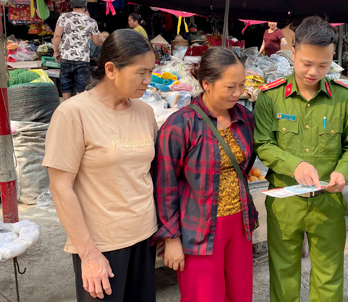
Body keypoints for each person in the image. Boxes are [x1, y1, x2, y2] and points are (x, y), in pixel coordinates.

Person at [254, 16, 348, 302]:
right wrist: (295, 165)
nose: (314, 72)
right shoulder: (271, 96)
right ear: (293, 53)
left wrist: (343, 172)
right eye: (306, 63)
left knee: (329, 275)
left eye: (323, 65)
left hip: (328, 201)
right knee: (283, 272)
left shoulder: (344, 98)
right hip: (285, 202)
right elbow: (263, 143)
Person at [43, 29, 157, 301]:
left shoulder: (144, 111)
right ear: (111, 69)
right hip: (103, 244)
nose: (148, 81)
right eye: (141, 72)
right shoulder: (73, 113)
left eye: (151, 71)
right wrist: (89, 254)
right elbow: (60, 188)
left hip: (145, 235)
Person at [152, 47, 258, 302]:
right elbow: (164, 185)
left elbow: (246, 165)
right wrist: (172, 238)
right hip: (199, 229)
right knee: (204, 297)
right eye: (230, 87)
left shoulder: (244, 117)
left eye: (242, 85)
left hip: (240, 224)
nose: (238, 93)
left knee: (240, 294)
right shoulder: (181, 124)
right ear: (207, 84)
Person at [53, 0, 103, 101]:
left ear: (71, 5)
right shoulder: (91, 21)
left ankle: (66, 108)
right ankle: (79, 109)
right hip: (83, 58)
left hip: (66, 56)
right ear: (85, 6)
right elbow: (96, 42)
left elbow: (57, 35)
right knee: (81, 86)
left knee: (66, 84)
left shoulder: (63, 17)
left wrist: (56, 52)